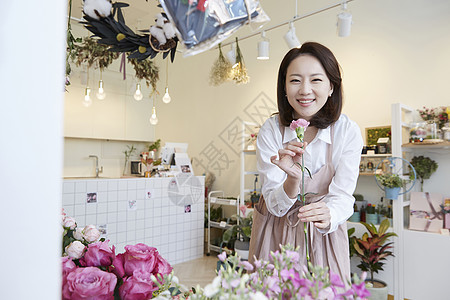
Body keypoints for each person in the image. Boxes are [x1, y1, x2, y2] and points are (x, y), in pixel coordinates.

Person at [248, 42, 363, 284]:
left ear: (331, 86)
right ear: (284, 87)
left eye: (316, 80)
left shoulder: (346, 131)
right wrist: (293, 178)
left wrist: (329, 212)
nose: (305, 90)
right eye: (295, 80)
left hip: (323, 237)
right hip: (275, 233)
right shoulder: (271, 130)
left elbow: (343, 195)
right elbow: (275, 204)